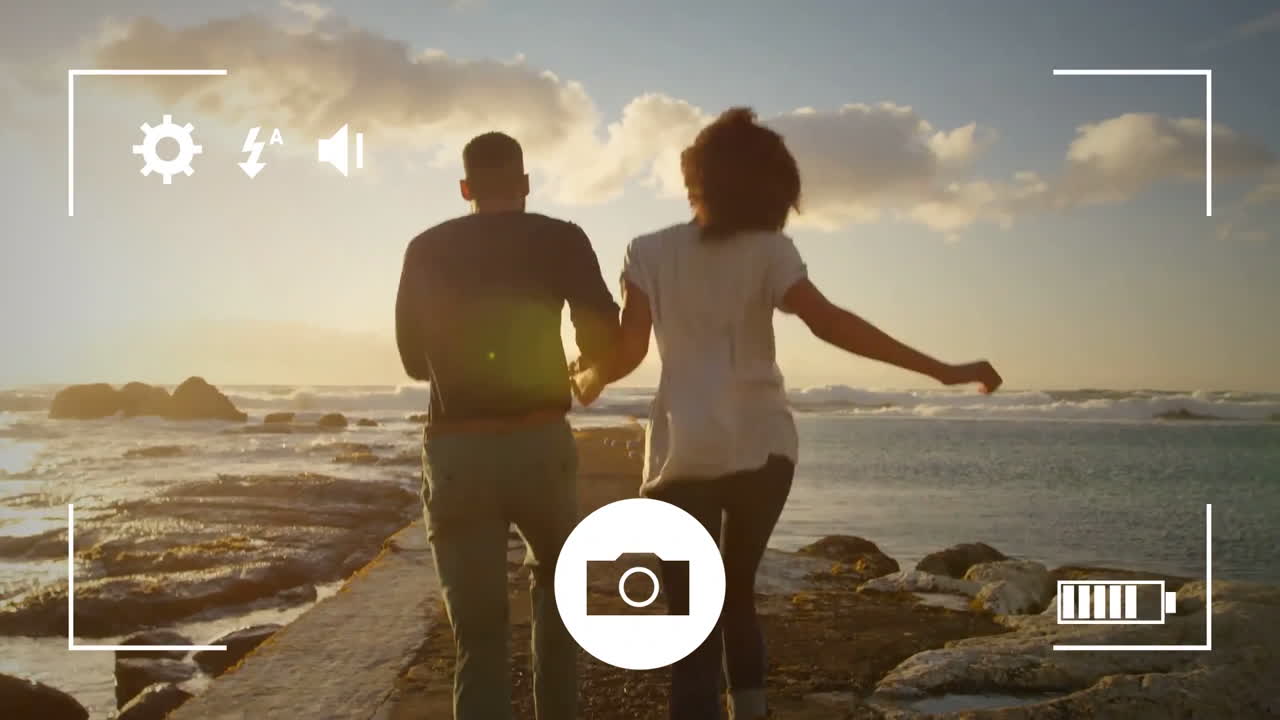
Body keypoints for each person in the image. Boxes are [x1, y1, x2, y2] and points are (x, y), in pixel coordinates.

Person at [572, 108, 1002, 720]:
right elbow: (829, 323)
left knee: (691, 611)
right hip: (762, 448)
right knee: (735, 594)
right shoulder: (770, 251)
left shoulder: (650, 251)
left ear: (700, 179)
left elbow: (630, 351)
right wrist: (943, 371)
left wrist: (587, 377)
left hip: (683, 451)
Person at [396, 131, 620, 720]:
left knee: (479, 635)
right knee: (556, 600)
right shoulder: (561, 238)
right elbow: (601, 333)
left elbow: (412, 361)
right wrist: (584, 371)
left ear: (465, 188)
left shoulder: (425, 249)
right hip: (539, 443)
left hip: (456, 454)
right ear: (524, 183)